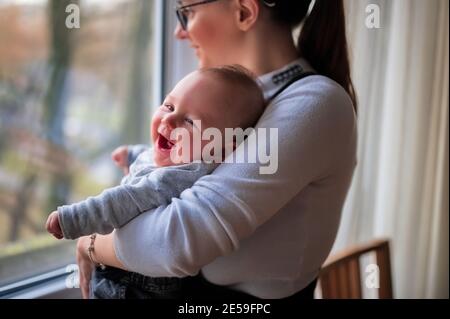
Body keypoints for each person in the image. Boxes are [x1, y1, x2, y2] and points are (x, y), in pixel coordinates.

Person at [76, 0, 358, 300]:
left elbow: (175, 242)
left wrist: (91, 241)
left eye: (188, 13)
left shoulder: (313, 103)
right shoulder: (240, 103)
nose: (178, 33)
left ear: (244, 12)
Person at [45, 65, 265, 298]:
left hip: (133, 285)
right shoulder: (185, 157)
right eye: (169, 106)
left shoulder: (176, 177)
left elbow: (127, 199)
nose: (169, 118)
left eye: (190, 121)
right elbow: (155, 157)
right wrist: (132, 154)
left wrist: (75, 218)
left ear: (220, 150)